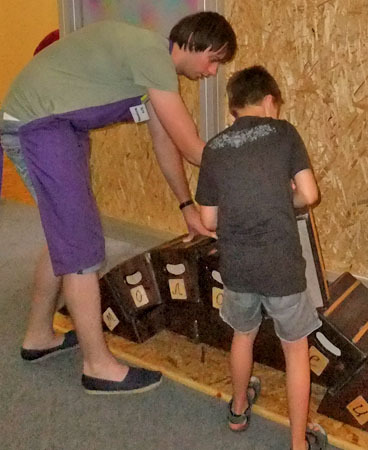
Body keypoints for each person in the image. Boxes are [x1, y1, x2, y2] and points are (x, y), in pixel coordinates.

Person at [0, 12, 236, 394]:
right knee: (80, 244)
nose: (211, 72)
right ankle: (97, 366)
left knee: (67, 234)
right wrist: (248, 164)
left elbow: (167, 144)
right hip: (38, 123)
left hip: (56, 124)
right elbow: (193, 148)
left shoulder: (152, 68)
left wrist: (187, 207)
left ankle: (39, 335)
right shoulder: (152, 55)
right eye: (213, 60)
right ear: (195, 41)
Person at [195, 66, 328, 449]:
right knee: (295, 350)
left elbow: (208, 220)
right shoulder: (284, 133)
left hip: (237, 267)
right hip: (281, 267)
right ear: (270, 102)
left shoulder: (214, 147)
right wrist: (284, 198)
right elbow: (310, 194)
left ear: (233, 108)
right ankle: (298, 442)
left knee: (243, 335)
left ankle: (238, 409)